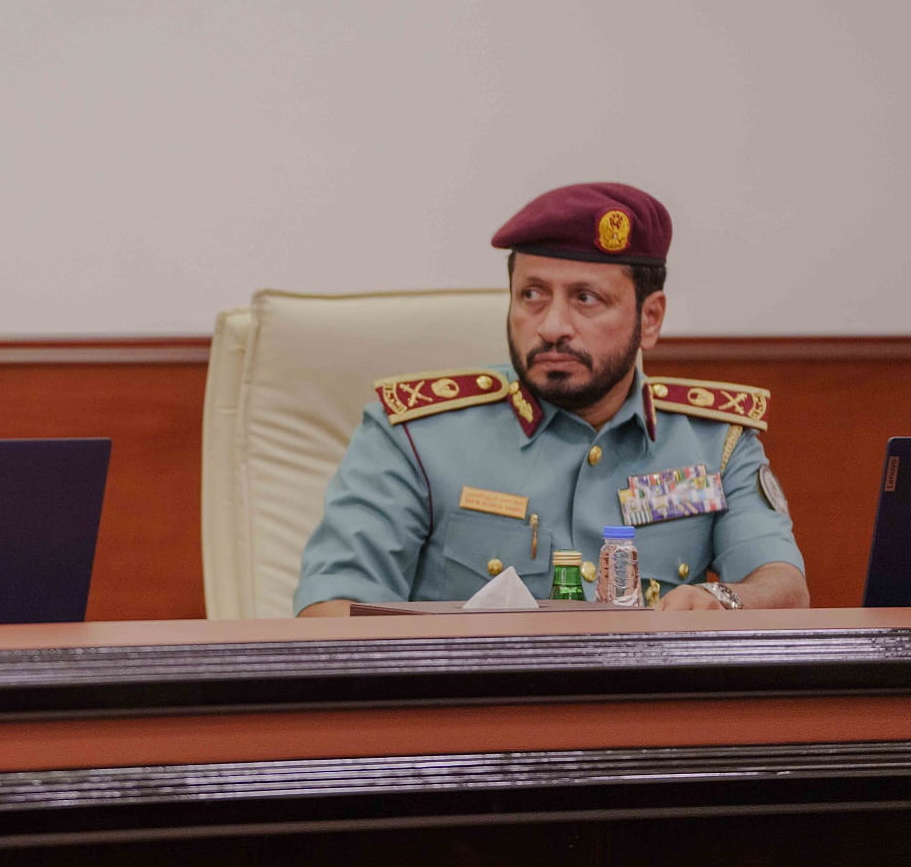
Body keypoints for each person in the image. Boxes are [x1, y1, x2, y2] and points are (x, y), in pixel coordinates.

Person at [293, 182, 807, 615]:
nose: (552, 326)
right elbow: (330, 609)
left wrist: (722, 599)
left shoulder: (714, 443)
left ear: (649, 319)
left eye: (586, 298)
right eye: (532, 295)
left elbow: (782, 585)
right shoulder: (416, 437)